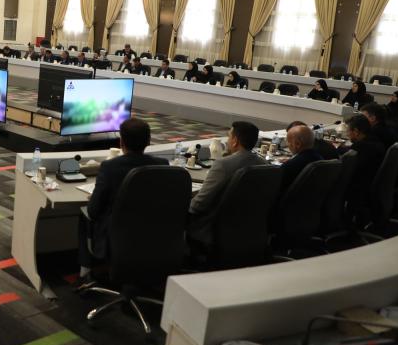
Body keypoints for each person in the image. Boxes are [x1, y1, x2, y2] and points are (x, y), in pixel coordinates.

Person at [77, 118, 168, 287]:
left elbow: (93, 211)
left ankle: (85, 272)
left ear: (121, 142)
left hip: (117, 238)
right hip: (153, 235)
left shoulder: (109, 167)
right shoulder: (163, 165)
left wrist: (95, 198)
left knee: (85, 214)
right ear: (149, 141)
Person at [188, 121, 266, 249]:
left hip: (212, 229)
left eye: (229, 136)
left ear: (235, 141)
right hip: (247, 229)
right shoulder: (264, 164)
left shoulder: (222, 165)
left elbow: (198, 205)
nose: (228, 141)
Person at [341, 115, 386, 211]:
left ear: (356, 131)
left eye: (348, 131)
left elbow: (347, 171)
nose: (347, 134)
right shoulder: (376, 141)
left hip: (357, 190)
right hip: (371, 187)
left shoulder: (359, 147)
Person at [280, 124, 322, 191]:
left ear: (297, 144)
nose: (287, 145)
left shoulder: (290, 166)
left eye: (288, 141)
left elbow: (275, 188)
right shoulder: (319, 158)